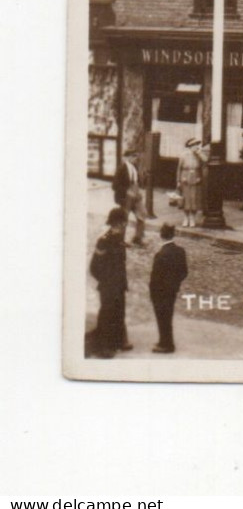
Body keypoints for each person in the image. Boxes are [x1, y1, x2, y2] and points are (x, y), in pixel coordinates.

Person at [88, 208, 131, 358]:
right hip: (108, 286)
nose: (125, 225)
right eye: (123, 222)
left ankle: (119, 341)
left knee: (119, 312)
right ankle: (104, 347)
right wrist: (106, 281)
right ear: (116, 223)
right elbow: (94, 267)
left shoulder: (119, 239)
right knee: (107, 314)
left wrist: (120, 282)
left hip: (119, 284)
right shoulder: (104, 241)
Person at [148, 222, 189, 353]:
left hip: (160, 292)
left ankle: (166, 344)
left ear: (161, 235)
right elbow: (184, 272)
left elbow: (154, 279)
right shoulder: (180, 251)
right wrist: (175, 283)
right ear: (173, 234)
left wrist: (153, 293)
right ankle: (166, 341)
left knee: (162, 317)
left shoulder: (160, 255)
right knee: (168, 316)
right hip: (172, 291)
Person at [113, 150, 147, 246]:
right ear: (127, 157)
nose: (136, 158)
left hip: (136, 196)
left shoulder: (135, 167)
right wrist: (126, 191)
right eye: (133, 156)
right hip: (126, 197)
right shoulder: (121, 169)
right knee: (124, 218)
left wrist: (139, 191)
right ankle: (120, 240)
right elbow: (115, 185)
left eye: (136, 156)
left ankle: (138, 238)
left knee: (142, 214)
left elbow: (137, 182)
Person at [177, 137, 205, 229]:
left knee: (194, 199)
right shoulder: (183, 155)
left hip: (195, 177)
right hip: (185, 176)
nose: (196, 147)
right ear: (190, 146)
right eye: (194, 145)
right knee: (186, 199)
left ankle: (192, 218)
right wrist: (179, 180)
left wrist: (200, 153)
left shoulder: (198, 155)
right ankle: (186, 217)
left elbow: (205, 162)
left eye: (197, 145)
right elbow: (179, 169)